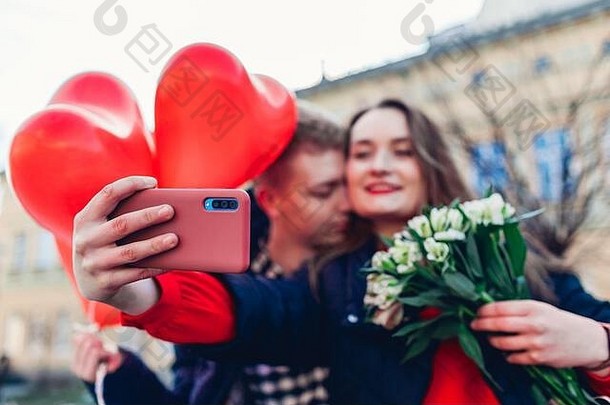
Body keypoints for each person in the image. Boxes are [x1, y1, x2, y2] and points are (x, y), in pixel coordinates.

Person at [74, 99, 610, 404]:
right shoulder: (335, 280)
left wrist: (596, 344)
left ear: (430, 164)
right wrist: (134, 288)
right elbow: (254, 312)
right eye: (362, 152)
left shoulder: (511, 247)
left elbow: (592, 325)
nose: (380, 165)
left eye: (401, 151)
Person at [71, 101, 349, 404]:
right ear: (270, 200)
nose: (346, 205)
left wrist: (144, 295)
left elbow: (275, 314)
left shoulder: (359, 267)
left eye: (348, 186)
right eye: (323, 192)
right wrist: (122, 376)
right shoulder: (212, 272)